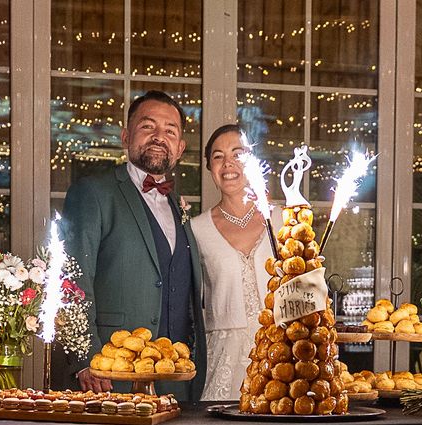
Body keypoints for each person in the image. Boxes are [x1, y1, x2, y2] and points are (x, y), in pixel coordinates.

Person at [54, 90, 206, 401]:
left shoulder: (179, 206)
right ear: (126, 136)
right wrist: (86, 360)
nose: (158, 137)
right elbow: (70, 281)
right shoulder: (93, 193)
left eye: (170, 130)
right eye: (147, 127)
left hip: (175, 379)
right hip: (110, 376)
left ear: (179, 148)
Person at [191, 124, 280, 400]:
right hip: (222, 362)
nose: (228, 163)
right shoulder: (196, 229)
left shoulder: (283, 221)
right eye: (218, 156)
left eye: (237, 154)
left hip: (281, 356)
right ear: (209, 168)